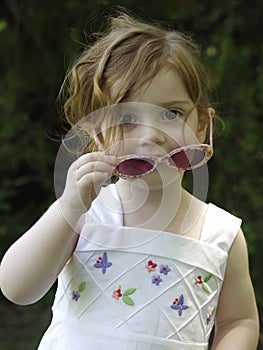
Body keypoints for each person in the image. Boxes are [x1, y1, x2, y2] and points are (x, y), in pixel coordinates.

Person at [0, 12, 259, 350]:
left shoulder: (221, 234)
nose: (152, 134)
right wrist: (67, 208)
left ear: (200, 126)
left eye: (172, 113)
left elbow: (239, 320)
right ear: (99, 135)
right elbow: (17, 288)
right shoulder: (83, 214)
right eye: (126, 118)